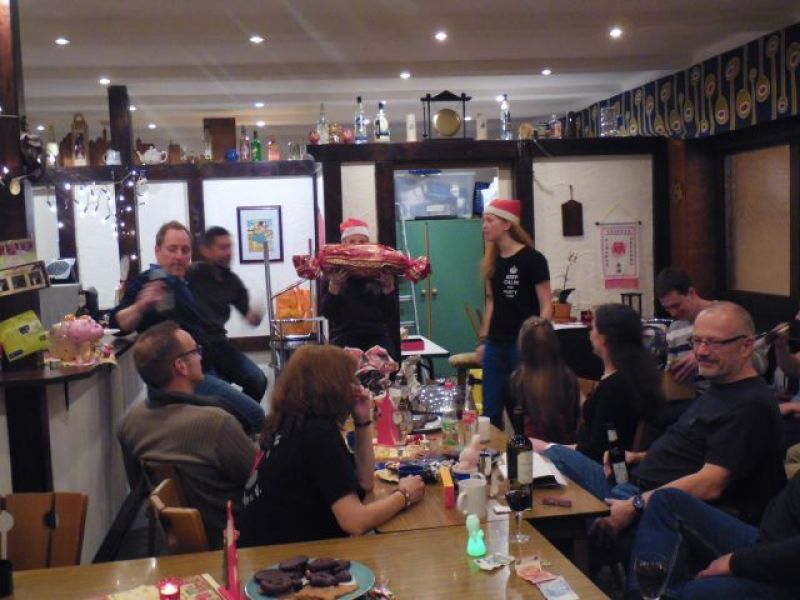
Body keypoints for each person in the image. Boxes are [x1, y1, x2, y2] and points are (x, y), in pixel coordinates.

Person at [535, 301, 786, 532]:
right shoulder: (720, 389)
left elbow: (711, 483)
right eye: (697, 341)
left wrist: (636, 503)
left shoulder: (749, 404)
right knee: (538, 462)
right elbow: (699, 452)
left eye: (713, 343)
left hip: (648, 502)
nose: (701, 351)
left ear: (746, 347)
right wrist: (638, 456)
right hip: (634, 483)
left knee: (546, 455)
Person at [237, 344, 425, 546]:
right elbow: (355, 522)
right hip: (282, 558)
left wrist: (362, 421)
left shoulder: (287, 421)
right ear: (331, 385)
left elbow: (364, 482)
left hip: (261, 549)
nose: (356, 386)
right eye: (350, 379)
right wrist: (404, 495)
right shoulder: (317, 433)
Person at [110, 221, 265, 434]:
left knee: (252, 388)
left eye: (185, 250)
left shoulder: (185, 281)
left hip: (205, 363)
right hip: (180, 377)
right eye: (172, 249)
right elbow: (117, 324)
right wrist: (141, 305)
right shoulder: (149, 280)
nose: (179, 256)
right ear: (157, 251)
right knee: (255, 415)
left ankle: (230, 440)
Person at [117, 321, 257, 549]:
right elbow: (259, 477)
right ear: (181, 366)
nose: (201, 357)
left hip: (175, 539)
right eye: (196, 351)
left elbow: (140, 488)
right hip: (233, 535)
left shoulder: (128, 424)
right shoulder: (215, 423)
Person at [627, 478, 800, 599]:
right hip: (768, 540)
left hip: (786, 574)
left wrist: (734, 562)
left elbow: (712, 482)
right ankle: (644, 595)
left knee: (692, 593)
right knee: (666, 500)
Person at [476, 199, 552, 429]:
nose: (484, 226)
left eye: (490, 220)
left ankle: (527, 449)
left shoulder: (533, 259)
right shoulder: (493, 262)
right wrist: (483, 341)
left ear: (507, 224)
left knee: (523, 407)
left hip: (523, 343)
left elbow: (546, 304)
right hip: (496, 344)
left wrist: (537, 340)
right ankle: (492, 450)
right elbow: (491, 303)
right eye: (483, 221)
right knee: (490, 409)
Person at [186, 226, 268, 403]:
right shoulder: (191, 274)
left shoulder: (232, 281)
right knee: (218, 396)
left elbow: (249, 317)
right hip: (195, 348)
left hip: (220, 345)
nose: (228, 252)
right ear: (206, 251)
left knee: (258, 380)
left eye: (230, 247)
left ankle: (240, 419)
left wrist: (257, 313)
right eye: (222, 248)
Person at [572, 303, 663, 462]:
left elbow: (596, 450)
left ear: (604, 338)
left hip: (602, 466)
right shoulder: (634, 375)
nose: (590, 333)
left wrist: (552, 448)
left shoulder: (614, 388)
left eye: (593, 328)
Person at [319, 218, 398, 356]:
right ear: (343, 245)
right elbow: (327, 313)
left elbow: (389, 313)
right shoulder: (333, 270)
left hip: (376, 335)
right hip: (343, 335)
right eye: (352, 241)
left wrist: (388, 288)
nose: (358, 246)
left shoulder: (380, 269)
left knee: (386, 358)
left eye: (362, 241)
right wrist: (334, 286)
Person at [502, 316, 579, 444]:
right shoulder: (569, 379)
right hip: (565, 451)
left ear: (522, 347)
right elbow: (573, 422)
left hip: (528, 452)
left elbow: (517, 427)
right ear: (555, 345)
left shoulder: (513, 383)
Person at [655, 268, 714, 392]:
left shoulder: (725, 315)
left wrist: (701, 357)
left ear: (691, 293)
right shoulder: (674, 328)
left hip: (724, 394)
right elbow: (673, 375)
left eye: (677, 305)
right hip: (690, 395)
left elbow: (751, 358)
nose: (673, 313)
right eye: (667, 308)